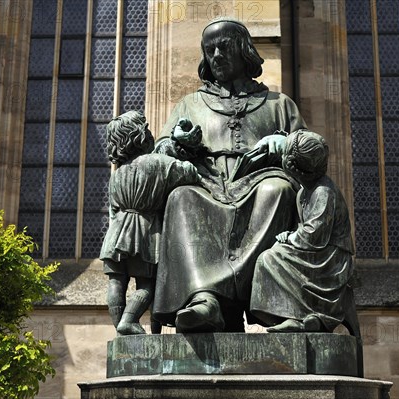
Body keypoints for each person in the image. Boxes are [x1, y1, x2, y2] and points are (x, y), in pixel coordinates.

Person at [151, 18, 307, 333]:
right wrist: (177, 143)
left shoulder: (279, 104)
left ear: (245, 50)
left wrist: (285, 144)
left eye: (225, 47)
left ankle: (266, 301)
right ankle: (204, 299)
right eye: (210, 50)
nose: (217, 56)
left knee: (279, 191)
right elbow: (161, 150)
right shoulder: (190, 103)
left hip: (259, 182)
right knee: (181, 198)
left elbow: (310, 154)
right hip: (205, 184)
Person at [100, 111, 201, 335]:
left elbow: (113, 209)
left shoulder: (117, 174)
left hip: (116, 232)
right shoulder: (157, 162)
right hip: (143, 230)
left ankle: (119, 328)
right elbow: (190, 173)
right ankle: (129, 319)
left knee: (116, 281)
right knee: (148, 285)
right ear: (140, 136)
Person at [250, 130, 356, 332]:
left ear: (293, 168)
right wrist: (288, 236)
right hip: (317, 252)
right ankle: (296, 317)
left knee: (269, 260)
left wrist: (291, 237)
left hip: (331, 260)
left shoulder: (323, 191)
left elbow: (315, 234)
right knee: (271, 257)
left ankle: (302, 316)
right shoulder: (303, 193)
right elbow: (305, 228)